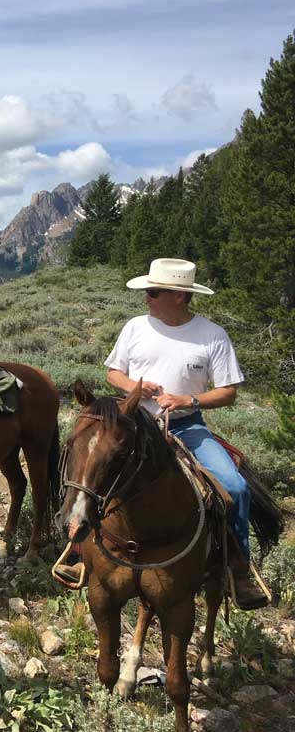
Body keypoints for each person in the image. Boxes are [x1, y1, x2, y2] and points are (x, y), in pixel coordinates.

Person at [103, 257, 267, 610]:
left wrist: (188, 399)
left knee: (234, 487)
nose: (147, 297)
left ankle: (238, 568)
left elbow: (228, 392)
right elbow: (113, 374)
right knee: (90, 469)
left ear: (178, 296)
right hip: (135, 423)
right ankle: (77, 548)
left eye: (154, 291)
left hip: (187, 425)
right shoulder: (135, 327)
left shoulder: (212, 335)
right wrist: (136, 387)